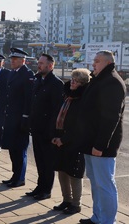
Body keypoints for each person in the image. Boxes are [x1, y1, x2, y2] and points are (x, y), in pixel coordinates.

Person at [77, 51, 126, 224]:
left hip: (101, 145)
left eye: (97, 61)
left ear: (107, 62)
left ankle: (107, 221)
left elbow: (110, 118)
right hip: (91, 142)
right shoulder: (100, 79)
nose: (93, 64)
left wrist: (100, 145)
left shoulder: (112, 82)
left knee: (105, 185)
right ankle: (98, 217)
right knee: (96, 183)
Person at [51, 68, 91, 214]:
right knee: (62, 171)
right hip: (60, 139)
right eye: (72, 79)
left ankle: (76, 204)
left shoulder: (83, 99)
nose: (73, 82)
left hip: (74, 142)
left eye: (77, 81)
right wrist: (55, 137)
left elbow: (80, 126)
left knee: (74, 174)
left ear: (83, 83)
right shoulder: (67, 95)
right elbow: (58, 116)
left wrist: (64, 140)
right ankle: (66, 200)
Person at [26, 53, 64, 200]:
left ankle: (46, 190)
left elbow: (56, 110)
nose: (39, 65)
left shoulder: (56, 84)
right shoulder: (38, 80)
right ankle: (40, 186)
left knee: (47, 162)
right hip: (36, 128)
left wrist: (53, 132)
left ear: (50, 66)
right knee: (39, 160)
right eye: (39, 63)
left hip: (47, 131)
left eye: (42, 63)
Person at [1, 48, 35, 188]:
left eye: (15, 59)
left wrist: (25, 118)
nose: (12, 61)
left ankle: (20, 178)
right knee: (12, 149)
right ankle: (15, 175)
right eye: (11, 59)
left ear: (23, 60)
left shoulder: (27, 75)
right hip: (11, 118)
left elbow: (29, 99)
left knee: (20, 149)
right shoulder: (12, 74)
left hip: (21, 119)